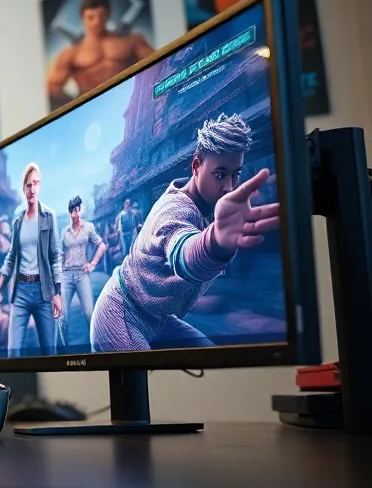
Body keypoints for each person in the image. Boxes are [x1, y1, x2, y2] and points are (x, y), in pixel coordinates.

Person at [91, 113, 277, 351]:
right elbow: (183, 253)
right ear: (196, 166)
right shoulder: (175, 209)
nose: (229, 186)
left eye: (235, 174)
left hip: (158, 317)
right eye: (220, 174)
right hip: (122, 313)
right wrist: (215, 243)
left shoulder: (207, 206)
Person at [0, 163, 62, 356]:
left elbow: (55, 256)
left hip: (44, 292)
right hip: (21, 291)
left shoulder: (49, 216)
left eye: (36, 183)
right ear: (24, 188)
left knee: (50, 352)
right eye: (29, 185)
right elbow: (10, 258)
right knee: (13, 353)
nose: (32, 189)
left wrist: (57, 292)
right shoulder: (17, 222)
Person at [46, 0, 154, 109]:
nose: (97, 22)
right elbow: (53, 87)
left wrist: (143, 93)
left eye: (101, 16)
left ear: (108, 15)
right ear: (83, 18)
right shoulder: (70, 53)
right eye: (91, 17)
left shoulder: (132, 41)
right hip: (93, 110)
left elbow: (157, 64)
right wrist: (78, 107)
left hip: (131, 101)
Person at [58, 195, 105, 347]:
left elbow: (101, 246)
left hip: (81, 274)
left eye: (78, 210)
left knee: (89, 313)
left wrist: (93, 264)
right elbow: (60, 254)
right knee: (62, 316)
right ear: (69, 213)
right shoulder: (64, 232)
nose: (76, 214)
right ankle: (63, 350)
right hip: (66, 276)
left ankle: (95, 347)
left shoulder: (88, 227)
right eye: (73, 211)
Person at [115, 198, 141, 264]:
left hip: (132, 233)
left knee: (133, 248)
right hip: (123, 234)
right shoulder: (120, 215)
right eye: (126, 203)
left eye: (129, 203)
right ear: (124, 204)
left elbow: (137, 224)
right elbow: (117, 227)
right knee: (125, 250)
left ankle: (134, 262)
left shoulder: (134, 213)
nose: (128, 205)